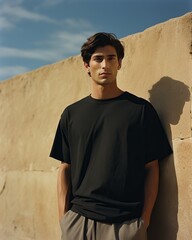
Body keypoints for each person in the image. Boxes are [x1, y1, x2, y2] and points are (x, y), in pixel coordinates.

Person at [50, 32, 172, 240]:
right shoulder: (71, 114)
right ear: (86, 65)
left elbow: (152, 168)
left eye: (111, 58)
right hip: (79, 223)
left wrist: (144, 220)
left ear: (119, 63)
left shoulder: (141, 110)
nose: (105, 65)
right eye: (98, 59)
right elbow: (65, 168)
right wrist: (65, 222)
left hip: (126, 225)